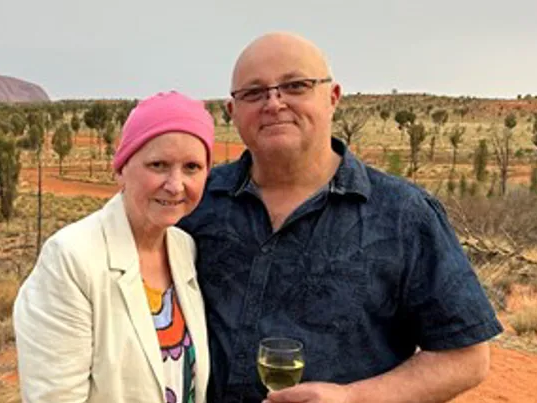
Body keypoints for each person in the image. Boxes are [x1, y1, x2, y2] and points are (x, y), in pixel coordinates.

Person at [176, 32, 504, 403]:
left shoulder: (403, 214)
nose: (274, 103)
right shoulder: (194, 201)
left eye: (295, 85)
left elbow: (467, 358)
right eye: (254, 92)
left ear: (332, 98)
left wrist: (354, 398)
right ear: (233, 112)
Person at [13, 91, 215, 403]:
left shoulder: (184, 248)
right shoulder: (71, 258)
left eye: (191, 167)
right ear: (121, 167)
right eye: (158, 165)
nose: (176, 185)